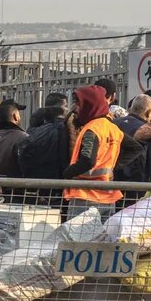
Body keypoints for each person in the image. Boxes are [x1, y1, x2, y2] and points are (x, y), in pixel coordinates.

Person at [62, 85, 125, 222]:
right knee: (100, 242)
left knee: (77, 241)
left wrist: (67, 173)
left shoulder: (92, 129)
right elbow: (133, 149)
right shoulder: (112, 128)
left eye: (78, 103)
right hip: (107, 196)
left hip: (86, 197)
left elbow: (87, 160)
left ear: (89, 105)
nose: (74, 108)